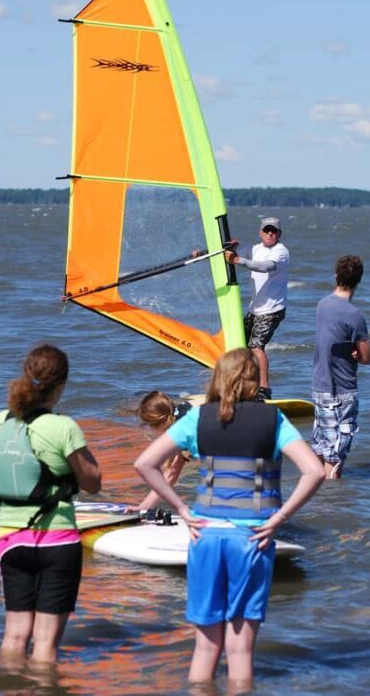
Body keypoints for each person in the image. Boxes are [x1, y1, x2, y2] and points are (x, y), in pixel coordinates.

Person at [134, 348, 324, 688]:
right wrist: (280, 518)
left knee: (205, 648)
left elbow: (145, 464)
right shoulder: (274, 420)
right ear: (254, 381)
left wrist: (180, 508)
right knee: (240, 652)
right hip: (252, 539)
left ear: (218, 378)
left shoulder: (197, 418)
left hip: (204, 536)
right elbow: (314, 471)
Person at [0, 344, 101, 665]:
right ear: (61, 386)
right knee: (45, 644)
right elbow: (93, 483)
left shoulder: (0, 421)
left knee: (14, 635)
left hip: (10, 540)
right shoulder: (63, 427)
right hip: (57, 539)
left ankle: (10, 684)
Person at [311, 255, 370, 479]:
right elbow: (367, 357)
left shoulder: (322, 305)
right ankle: (333, 505)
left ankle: (316, 502)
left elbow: (331, 340)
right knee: (335, 460)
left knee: (320, 450)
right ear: (359, 280)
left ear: (336, 276)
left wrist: (350, 349)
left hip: (319, 386)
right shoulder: (355, 315)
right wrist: (356, 353)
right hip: (341, 391)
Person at [224, 216, 289, 400]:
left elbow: (265, 266)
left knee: (256, 346)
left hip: (273, 309)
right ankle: (242, 384)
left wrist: (238, 260)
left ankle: (264, 389)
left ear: (279, 234)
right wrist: (228, 249)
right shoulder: (254, 249)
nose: (270, 233)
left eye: (274, 231)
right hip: (255, 309)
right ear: (260, 232)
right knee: (239, 345)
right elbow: (233, 253)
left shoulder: (281, 252)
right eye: (267, 230)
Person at [134, 391, 193, 511]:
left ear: (159, 422)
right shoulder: (182, 409)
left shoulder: (180, 429)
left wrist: (144, 507)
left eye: (150, 425)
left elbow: (172, 474)